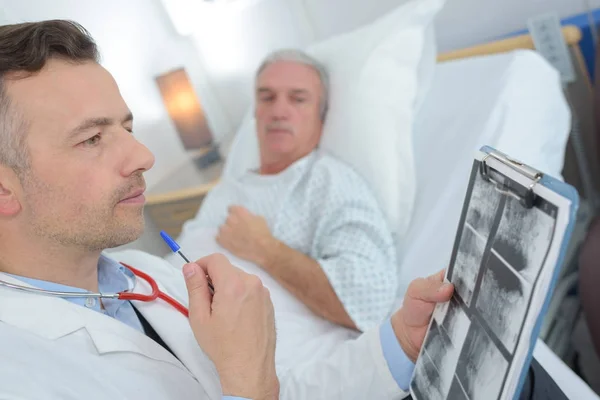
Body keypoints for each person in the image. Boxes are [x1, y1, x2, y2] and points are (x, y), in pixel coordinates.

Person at [0, 19, 568, 400]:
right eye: (92, 139)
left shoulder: (144, 277)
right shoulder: (23, 372)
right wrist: (248, 379)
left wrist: (396, 344)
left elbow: (281, 386)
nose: (144, 155)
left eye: (126, 126)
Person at [179, 49, 397, 331]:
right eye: (267, 97)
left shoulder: (329, 182)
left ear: (321, 117)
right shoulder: (231, 185)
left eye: (298, 99)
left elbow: (368, 298)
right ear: (256, 111)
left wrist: (267, 250)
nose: (278, 111)